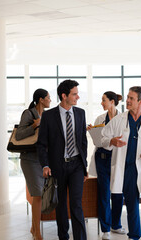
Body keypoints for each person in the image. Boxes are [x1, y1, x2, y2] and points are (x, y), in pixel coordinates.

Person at [101, 86, 141, 240]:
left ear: (140, 102)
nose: (127, 101)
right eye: (128, 97)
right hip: (127, 169)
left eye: (131, 98)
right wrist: (111, 141)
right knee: (131, 206)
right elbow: (102, 138)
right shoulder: (119, 120)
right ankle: (134, 236)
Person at [37, 80, 88, 240]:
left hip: (77, 166)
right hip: (57, 166)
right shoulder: (48, 116)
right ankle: (63, 237)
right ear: (64, 96)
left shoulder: (80, 113)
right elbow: (41, 144)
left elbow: (83, 141)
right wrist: (45, 165)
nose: (77, 97)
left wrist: (84, 165)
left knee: (76, 204)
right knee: (60, 206)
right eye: (74, 94)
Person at [87, 91, 126, 240]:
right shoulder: (100, 118)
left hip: (117, 158)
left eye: (104, 100)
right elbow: (99, 140)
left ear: (112, 102)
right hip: (102, 159)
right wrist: (93, 132)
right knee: (104, 194)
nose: (102, 103)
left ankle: (116, 225)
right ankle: (105, 229)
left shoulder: (123, 119)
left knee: (117, 193)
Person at [16, 88, 51, 240]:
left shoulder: (48, 115)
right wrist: (34, 125)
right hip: (29, 160)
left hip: (43, 160)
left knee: (41, 196)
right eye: (48, 98)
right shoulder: (28, 113)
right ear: (41, 99)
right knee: (37, 195)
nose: (50, 100)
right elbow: (18, 135)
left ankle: (33, 227)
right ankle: (37, 233)